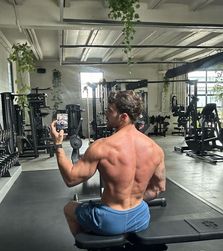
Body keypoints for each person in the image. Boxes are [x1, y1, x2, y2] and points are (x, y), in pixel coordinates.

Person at [50, 90, 166, 237]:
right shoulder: (155, 149)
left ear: (123, 117)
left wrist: (58, 145)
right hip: (141, 217)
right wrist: (131, 199)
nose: (106, 114)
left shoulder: (102, 146)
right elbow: (158, 188)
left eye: (110, 111)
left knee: (69, 208)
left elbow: (71, 179)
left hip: (109, 221)